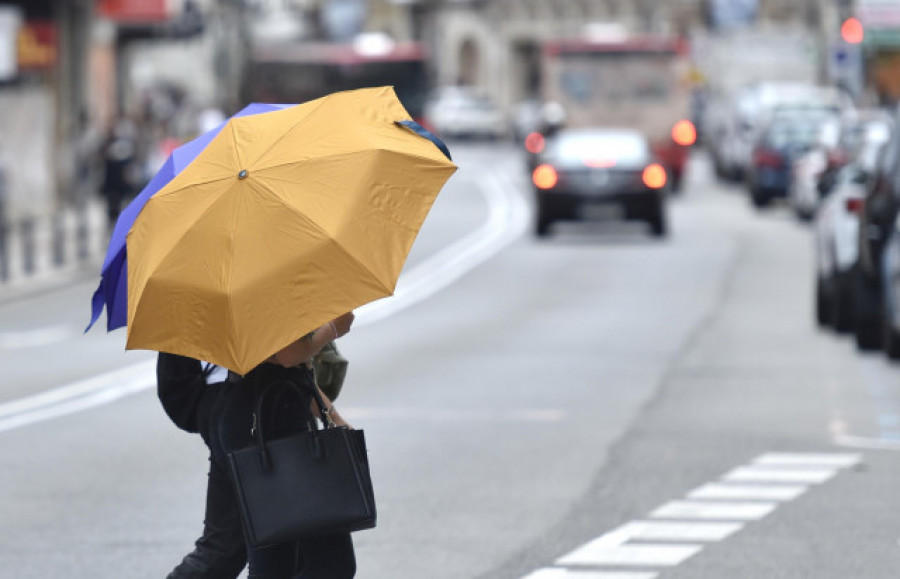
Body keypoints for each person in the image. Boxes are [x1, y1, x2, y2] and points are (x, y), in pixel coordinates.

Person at [208, 311, 357, 579]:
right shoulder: (259, 286)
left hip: (257, 417)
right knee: (326, 561)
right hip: (265, 422)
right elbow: (288, 355)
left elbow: (297, 370)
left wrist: (334, 417)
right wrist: (333, 328)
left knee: (284, 563)